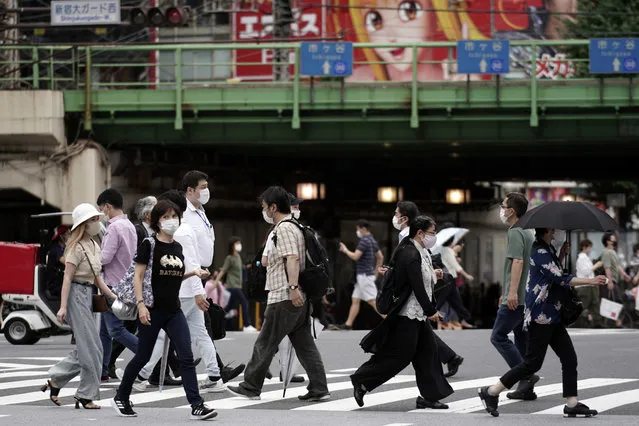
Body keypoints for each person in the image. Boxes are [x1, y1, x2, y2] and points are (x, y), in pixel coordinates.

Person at [478, 228, 607, 418]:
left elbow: (552, 276)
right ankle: (491, 391)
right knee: (532, 364)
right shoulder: (539, 250)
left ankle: (571, 403)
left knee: (569, 358)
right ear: (547, 231)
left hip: (552, 313)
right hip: (541, 315)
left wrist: (561, 255)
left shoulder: (548, 250)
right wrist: (592, 281)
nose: (557, 232)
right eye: (555, 230)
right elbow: (559, 277)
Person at [111, 200, 217, 420]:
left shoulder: (176, 247)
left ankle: (196, 405)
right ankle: (121, 396)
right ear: (157, 221)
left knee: (186, 356)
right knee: (142, 357)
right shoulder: (149, 245)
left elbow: (172, 276)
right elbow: (139, 277)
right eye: (166, 217)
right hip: (151, 309)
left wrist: (193, 273)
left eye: (174, 216)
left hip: (173, 310)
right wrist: (141, 305)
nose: (171, 221)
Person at [228, 186, 329, 401]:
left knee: (265, 342)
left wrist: (292, 288)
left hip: (285, 294)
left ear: (273, 207)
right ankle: (319, 387)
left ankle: (251, 386)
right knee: (304, 344)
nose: (264, 211)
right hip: (297, 295)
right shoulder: (295, 226)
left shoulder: (283, 228)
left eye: (265, 207)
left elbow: (291, 258)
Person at [351, 215, 454, 410]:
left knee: (428, 353)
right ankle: (362, 380)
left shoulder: (421, 250)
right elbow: (416, 286)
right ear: (420, 233)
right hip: (408, 313)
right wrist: (431, 310)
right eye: (432, 232)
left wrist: (435, 274)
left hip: (417, 313)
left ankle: (429, 397)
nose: (434, 236)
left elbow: (421, 276)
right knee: (400, 355)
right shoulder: (410, 253)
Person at [42, 203, 117, 409]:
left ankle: (56, 379)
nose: (97, 222)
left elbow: (97, 277)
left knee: (91, 347)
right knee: (91, 349)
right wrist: (63, 307)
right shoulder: (74, 248)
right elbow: (67, 279)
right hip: (75, 295)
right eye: (93, 220)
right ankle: (85, 395)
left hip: (88, 295)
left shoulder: (94, 245)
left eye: (96, 219)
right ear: (83, 224)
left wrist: (112, 295)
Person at [393, 200, 464, 378]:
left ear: (404, 217)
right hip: (421, 283)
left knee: (413, 328)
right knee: (421, 328)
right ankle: (449, 358)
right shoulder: (411, 233)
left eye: (396, 214)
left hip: (414, 288)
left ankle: (442, 361)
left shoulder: (405, 235)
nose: (394, 217)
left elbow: (411, 261)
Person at [490, 193, 539, 400]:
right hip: (526, 295)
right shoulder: (528, 231)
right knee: (520, 337)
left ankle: (526, 375)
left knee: (498, 336)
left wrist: (510, 293)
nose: (501, 209)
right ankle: (526, 389)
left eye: (503, 206)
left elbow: (517, 262)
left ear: (511, 210)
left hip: (517, 296)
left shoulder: (516, 231)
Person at [108, 195, 157, 380]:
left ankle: (168, 366)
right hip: (135, 286)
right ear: (146, 215)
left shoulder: (152, 232)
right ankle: (166, 365)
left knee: (128, 328)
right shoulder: (138, 231)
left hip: (144, 286)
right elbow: (137, 262)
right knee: (126, 328)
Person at [97, 188, 139, 382]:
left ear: (107, 206)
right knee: (104, 331)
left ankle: (148, 356)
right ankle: (103, 370)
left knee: (114, 330)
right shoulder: (129, 225)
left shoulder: (113, 228)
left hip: (112, 284)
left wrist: (90, 258)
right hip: (126, 283)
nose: (101, 214)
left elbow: (105, 257)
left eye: (101, 209)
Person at [337, 220, 385, 329]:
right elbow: (380, 257)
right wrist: (376, 273)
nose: (357, 232)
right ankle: (348, 324)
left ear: (363, 229)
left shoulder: (364, 241)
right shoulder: (372, 240)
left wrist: (345, 250)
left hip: (364, 276)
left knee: (373, 301)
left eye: (357, 229)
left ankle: (393, 322)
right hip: (366, 275)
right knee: (356, 299)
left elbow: (355, 256)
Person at [211, 236, 256, 332]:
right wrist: (215, 282)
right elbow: (223, 270)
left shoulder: (238, 257)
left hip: (237, 285)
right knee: (244, 303)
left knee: (228, 308)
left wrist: (247, 267)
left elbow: (240, 268)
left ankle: (215, 323)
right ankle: (247, 325)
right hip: (232, 286)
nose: (239, 245)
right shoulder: (229, 258)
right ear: (232, 245)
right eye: (237, 243)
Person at [437, 235, 475, 329]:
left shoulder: (445, 250)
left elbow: (450, 262)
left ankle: (463, 318)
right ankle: (462, 318)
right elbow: (455, 266)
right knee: (443, 302)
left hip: (449, 280)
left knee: (453, 302)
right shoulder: (447, 250)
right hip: (448, 280)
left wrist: (455, 258)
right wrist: (467, 275)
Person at [575, 239, 603, 327]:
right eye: (589, 247)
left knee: (594, 304)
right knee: (584, 305)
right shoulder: (581, 258)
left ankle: (596, 323)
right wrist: (596, 265)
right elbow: (586, 271)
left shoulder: (585, 258)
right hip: (584, 286)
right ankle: (578, 323)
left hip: (590, 285)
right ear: (584, 247)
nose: (590, 249)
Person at [45, 225, 70, 298]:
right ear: (62, 237)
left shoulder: (63, 249)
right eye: (68, 234)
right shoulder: (56, 249)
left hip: (62, 282)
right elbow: (67, 262)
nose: (71, 236)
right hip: (56, 286)